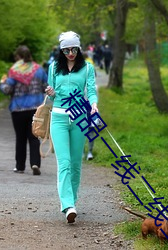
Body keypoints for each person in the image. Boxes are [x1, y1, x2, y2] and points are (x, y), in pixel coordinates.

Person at [45, 31, 98, 223]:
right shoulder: (53, 68)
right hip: (58, 118)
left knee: (76, 164)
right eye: (66, 50)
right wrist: (50, 92)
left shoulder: (87, 68)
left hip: (79, 119)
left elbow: (91, 90)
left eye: (74, 49)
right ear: (61, 50)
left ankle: (72, 201)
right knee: (64, 163)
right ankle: (67, 205)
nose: (70, 53)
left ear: (79, 48)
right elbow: (51, 96)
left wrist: (93, 104)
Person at [0, 45, 48, 175]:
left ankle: (20, 166)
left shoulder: (14, 71)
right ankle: (35, 163)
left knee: (20, 138)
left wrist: (2, 83)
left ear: (18, 57)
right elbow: (46, 87)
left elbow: (7, 90)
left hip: (18, 109)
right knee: (34, 137)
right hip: (35, 109)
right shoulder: (39, 70)